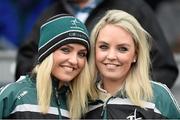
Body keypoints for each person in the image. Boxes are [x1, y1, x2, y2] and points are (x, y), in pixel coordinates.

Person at [15, 0, 178, 89]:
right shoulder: (52, 12)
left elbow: (163, 68)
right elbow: (26, 61)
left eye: (121, 48)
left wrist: (125, 98)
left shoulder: (133, 8)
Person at [85, 10, 180, 119]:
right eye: (104, 47)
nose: (111, 56)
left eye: (122, 49)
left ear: (135, 54)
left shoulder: (158, 96)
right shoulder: (82, 101)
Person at [0, 14, 97, 119]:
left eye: (81, 54)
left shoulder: (84, 106)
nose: (74, 61)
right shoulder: (13, 95)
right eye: (65, 50)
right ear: (46, 54)